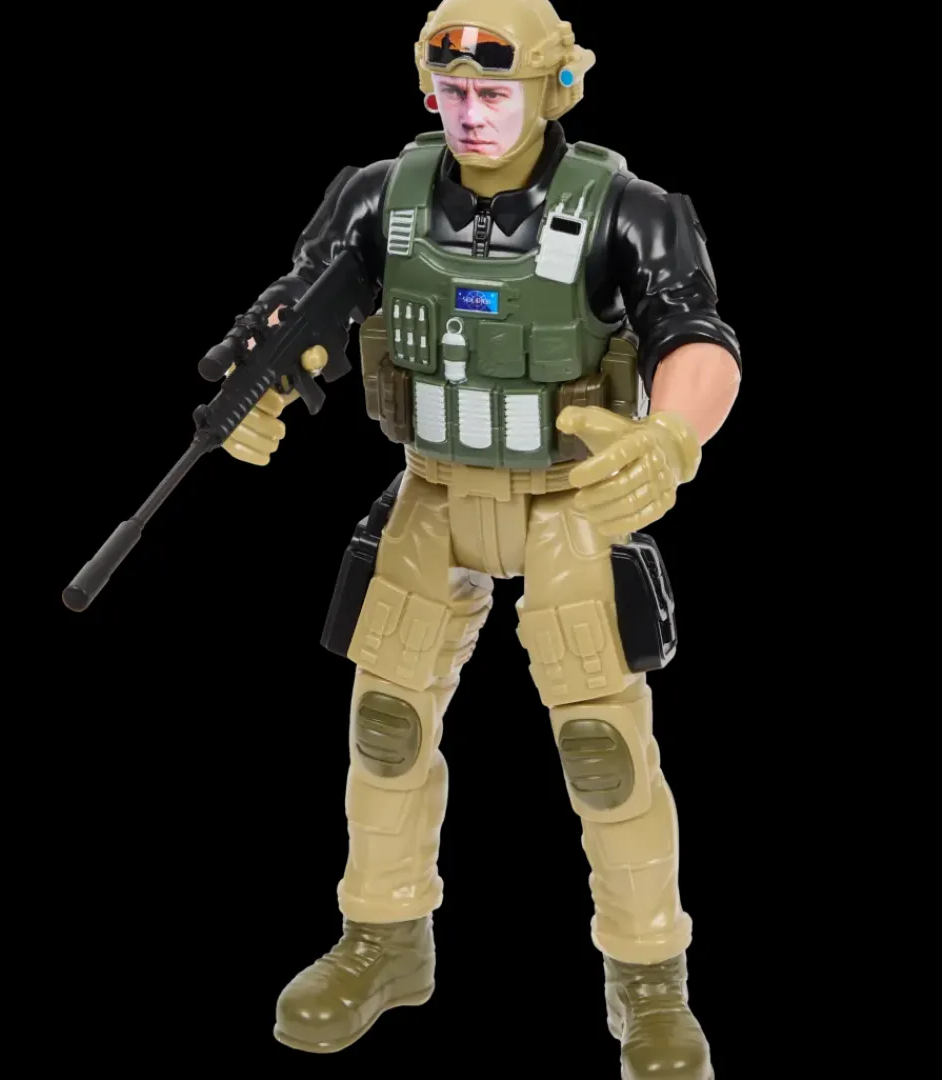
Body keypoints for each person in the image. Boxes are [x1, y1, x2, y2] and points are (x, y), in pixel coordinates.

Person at [213, 1, 740, 1075]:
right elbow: (298, 302)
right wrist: (250, 378)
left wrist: (671, 435)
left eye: (495, 91)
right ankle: (383, 939)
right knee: (386, 728)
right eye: (452, 91)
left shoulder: (627, 210)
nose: (472, 113)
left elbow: (696, 333)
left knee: (602, 750)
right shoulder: (379, 198)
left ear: (556, 88)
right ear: (428, 90)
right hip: (434, 492)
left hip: (567, 502)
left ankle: (650, 981)